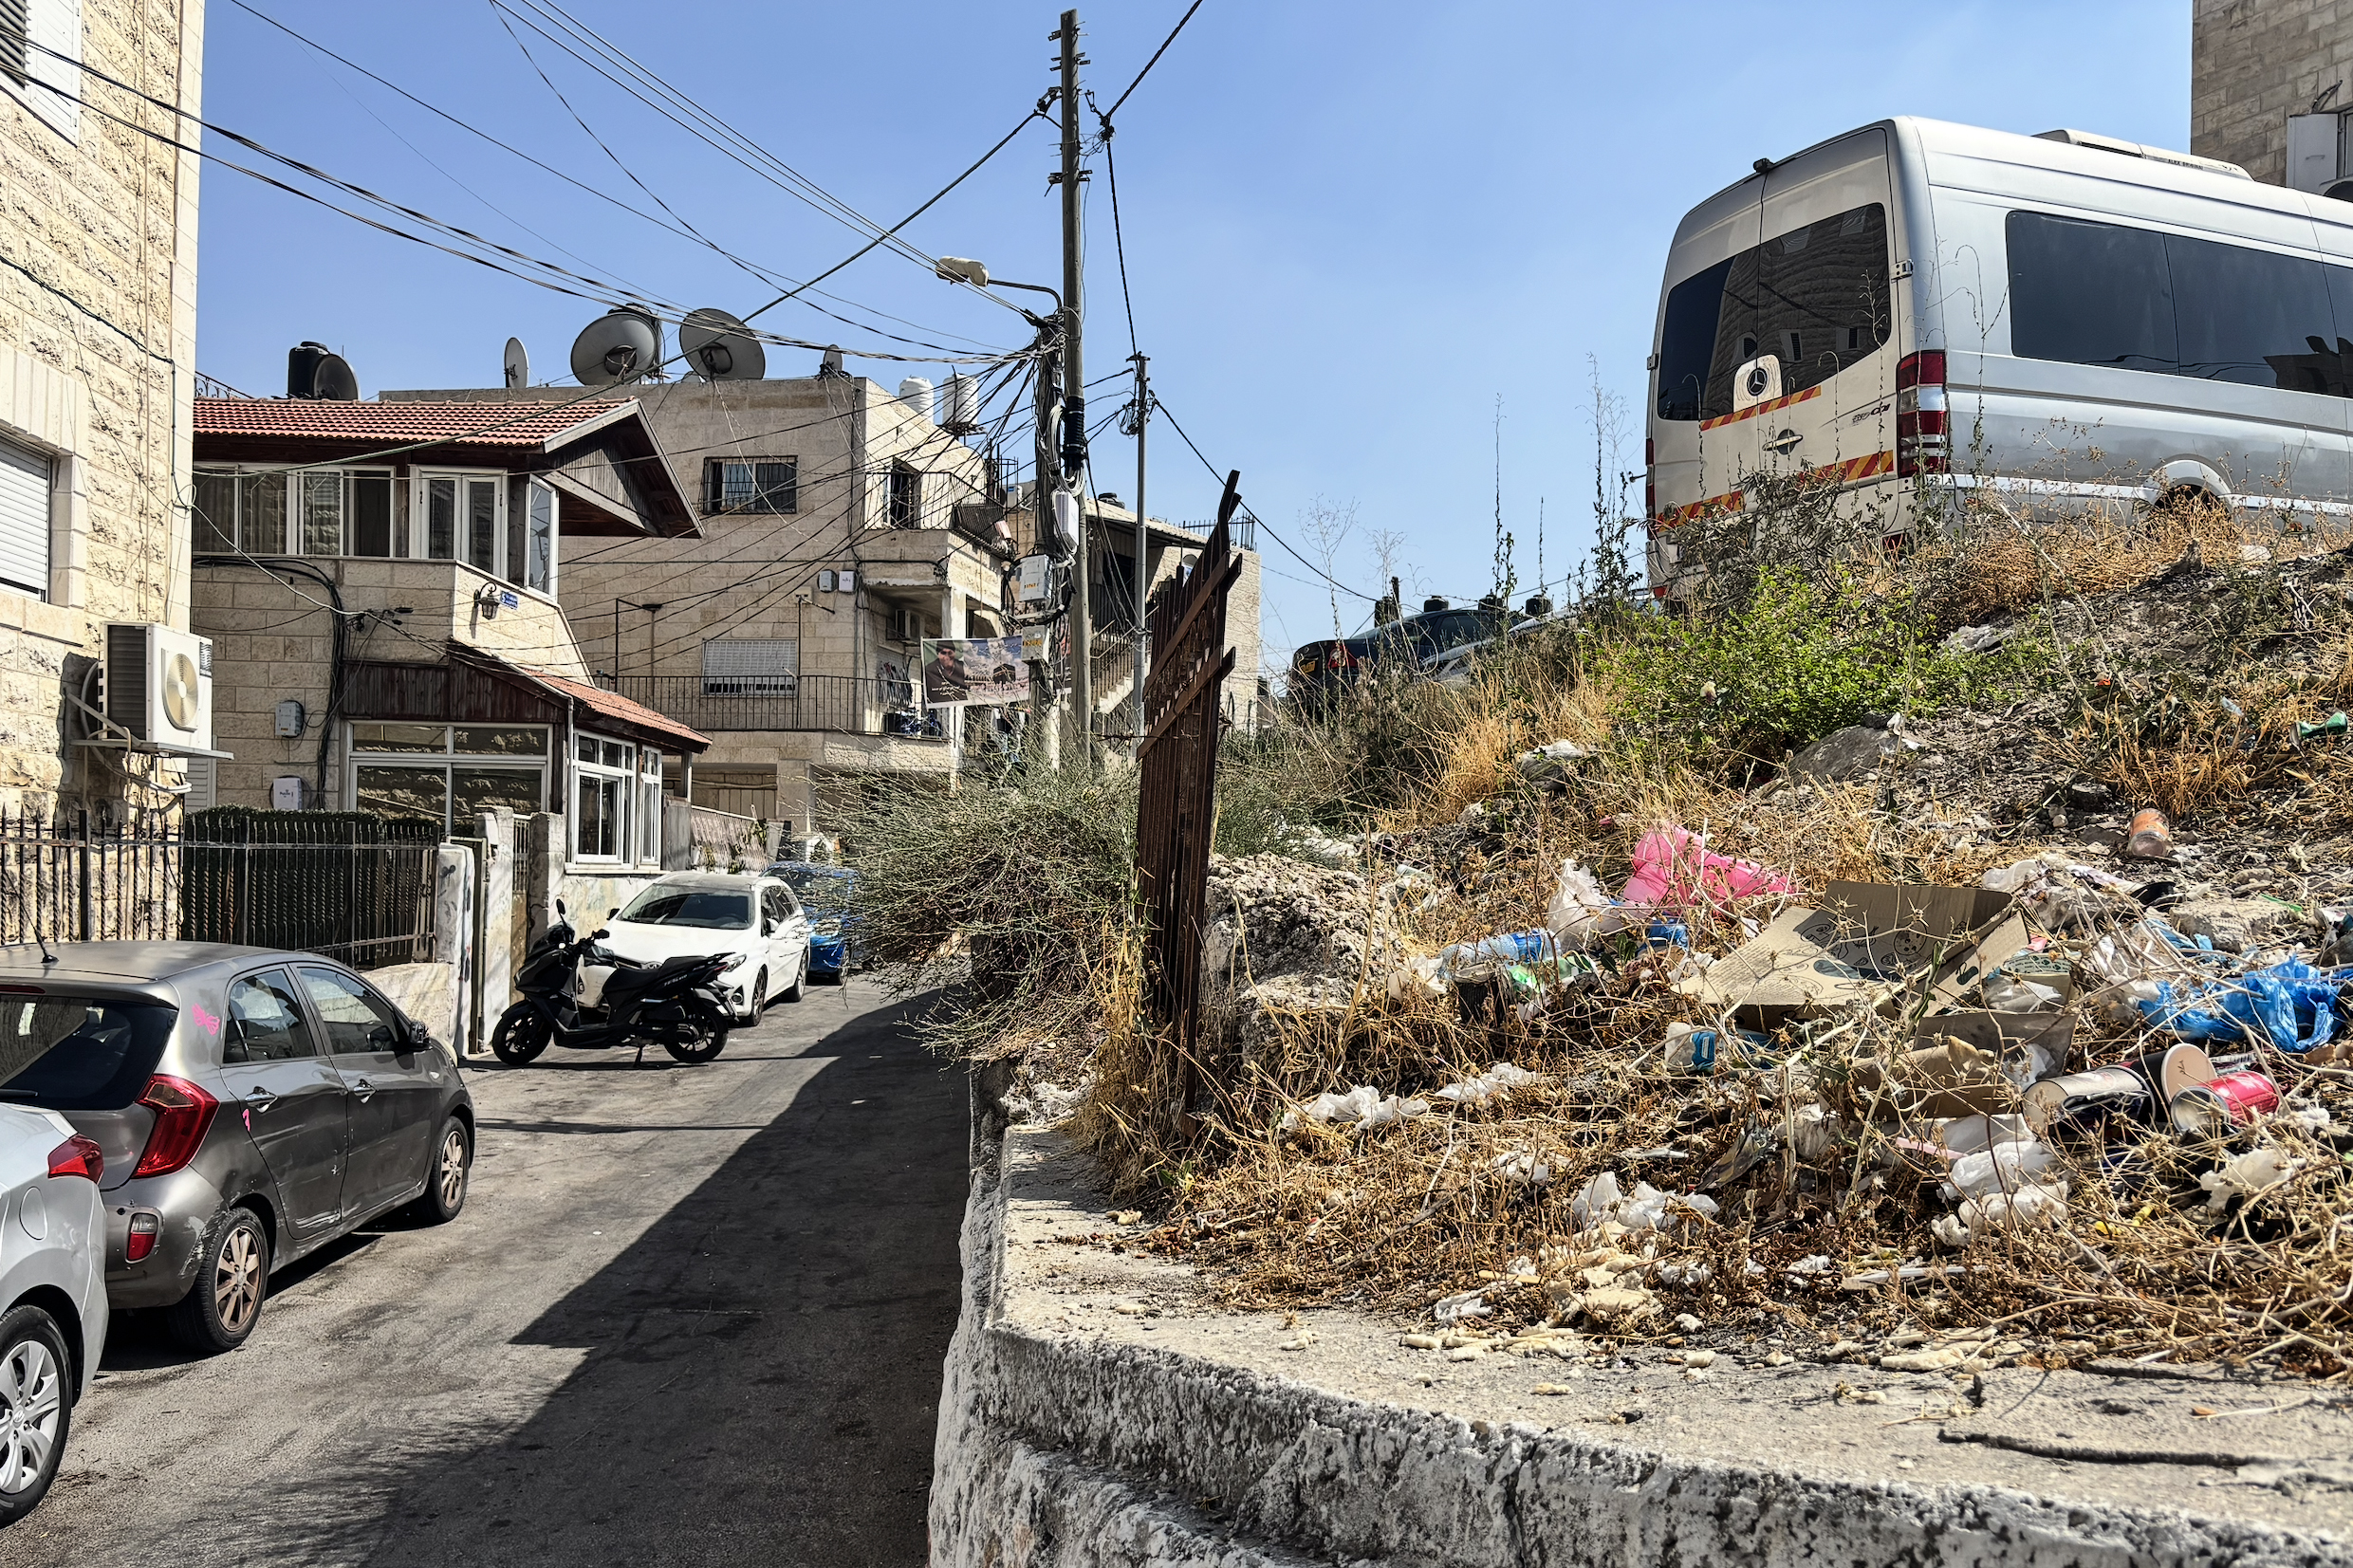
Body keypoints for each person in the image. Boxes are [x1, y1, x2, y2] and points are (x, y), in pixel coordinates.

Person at [924, 641, 973, 705]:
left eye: (950, 653)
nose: (947, 657)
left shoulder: (962, 667)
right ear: (938, 654)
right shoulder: (929, 669)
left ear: (954, 653)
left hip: (960, 705)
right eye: (943, 653)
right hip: (938, 706)